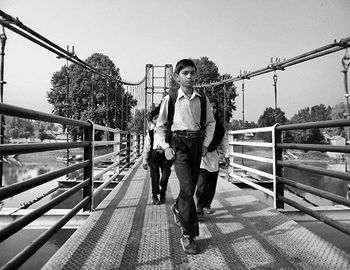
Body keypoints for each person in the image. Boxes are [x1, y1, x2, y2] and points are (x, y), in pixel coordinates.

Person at [156, 59, 215, 254]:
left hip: (197, 144)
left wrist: (205, 144)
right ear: (177, 77)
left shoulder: (202, 99)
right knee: (188, 186)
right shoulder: (170, 99)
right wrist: (165, 147)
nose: (190, 77)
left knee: (187, 189)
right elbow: (161, 126)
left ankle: (178, 208)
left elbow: (211, 123)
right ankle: (188, 235)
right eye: (185, 73)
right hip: (179, 144)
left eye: (192, 73)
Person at [196, 98, 229, 220]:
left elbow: (224, 141)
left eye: (214, 107)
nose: (212, 109)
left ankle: (207, 205)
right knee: (202, 183)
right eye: (210, 107)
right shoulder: (200, 123)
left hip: (213, 156)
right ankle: (199, 209)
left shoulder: (220, 127)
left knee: (211, 183)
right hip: (201, 156)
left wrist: (227, 155)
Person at [142, 105, 172, 205]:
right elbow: (147, 146)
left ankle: (163, 192)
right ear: (152, 121)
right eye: (155, 118)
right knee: (154, 176)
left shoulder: (168, 131)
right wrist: (144, 160)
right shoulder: (150, 133)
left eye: (159, 117)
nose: (158, 119)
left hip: (165, 156)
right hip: (154, 155)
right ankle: (155, 196)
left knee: (165, 176)